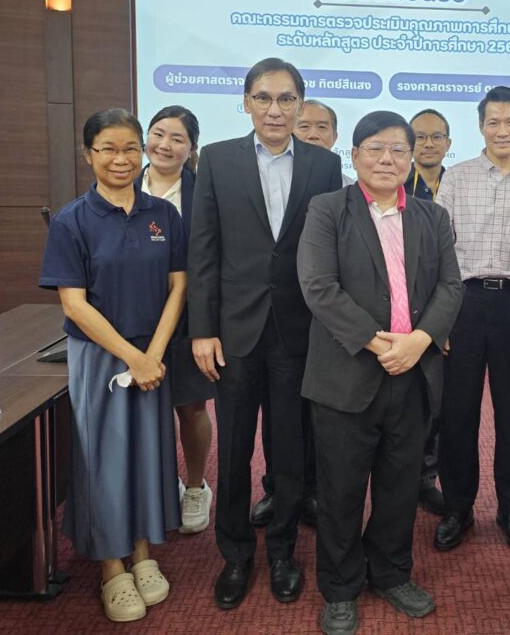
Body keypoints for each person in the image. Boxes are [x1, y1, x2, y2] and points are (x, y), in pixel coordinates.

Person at [297, 111, 463, 635]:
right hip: (346, 374)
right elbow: (318, 287)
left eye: (397, 149)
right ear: (354, 156)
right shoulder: (327, 209)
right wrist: (377, 342)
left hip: (413, 374)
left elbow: (451, 287)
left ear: (411, 158)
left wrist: (419, 341)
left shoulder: (432, 217)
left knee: (400, 485)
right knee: (341, 489)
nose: (387, 159)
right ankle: (340, 588)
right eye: (375, 149)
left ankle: (391, 572)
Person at [187, 58, 343, 610]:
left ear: (300, 104)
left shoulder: (325, 165)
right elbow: (203, 250)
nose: (274, 109)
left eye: (285, 99)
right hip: (234, 330)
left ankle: (282, 551)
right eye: (263, 98)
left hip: (298, 329)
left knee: (289, 448)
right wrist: (202, 329)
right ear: (246, 102)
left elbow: (328, 249)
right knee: (233, 449)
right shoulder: (217, 159)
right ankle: (235, 555)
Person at [39, 108, 187, 623]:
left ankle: (142, 552)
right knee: (102, 458)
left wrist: (154, 354)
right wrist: (132, 356)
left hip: (153, 356)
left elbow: (179, 287)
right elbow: (74, 304)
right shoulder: (72, 220)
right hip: (100, 356)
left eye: (130, 148)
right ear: (89, 155)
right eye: (108, 149)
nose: (121, 159)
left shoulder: (163, 215)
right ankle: (110, 567)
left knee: (149, 453)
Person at [434, 86, 510, 554]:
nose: (501, 130)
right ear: (480, 126)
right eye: (492, 122)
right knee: (457, 412)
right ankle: (457, 507)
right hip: (463, 303)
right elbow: (438, 252)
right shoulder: (457, 177)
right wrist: (438, 320)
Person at [250, 98, 342, 531]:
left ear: (335, 137)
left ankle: (316, 490)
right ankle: (278, 488)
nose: (313, 134)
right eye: (305, 126)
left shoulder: (342, 184)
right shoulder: (268, 172)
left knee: (321, 413)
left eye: (323, 127)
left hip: (324, 320)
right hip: (274, 317)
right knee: (279, 413)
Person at [139, 105, 214, 535]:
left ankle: (196, 485)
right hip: (134, 318)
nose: (164, 145)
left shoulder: (204, 192)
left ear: (192, 148)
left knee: (190, 406)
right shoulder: (121, 186)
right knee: (146, 407)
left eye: (177, 138)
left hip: (189, 319)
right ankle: (160, 484)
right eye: (158, 134)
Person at [406, 107, 453, 516]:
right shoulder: (393, 183)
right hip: (402, 312)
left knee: (440, 402)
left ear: (448, 144)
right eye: (419, 136)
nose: (428, 144)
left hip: (448, 308)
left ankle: (428, 476)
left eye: (436, 136)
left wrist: (443, 323)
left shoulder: (460, 184)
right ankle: (403, 474)